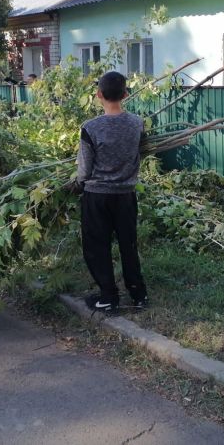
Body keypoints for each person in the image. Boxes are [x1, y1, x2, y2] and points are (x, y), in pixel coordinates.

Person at [76, 71, 148, 311]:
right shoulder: (137, 123)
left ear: (98, 95)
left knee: (97, 246)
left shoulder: (90, 127)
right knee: (128, 244)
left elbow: (85, 168)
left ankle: (108, 296)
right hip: (126, 195)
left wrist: (79, 183)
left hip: (97, 195)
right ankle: (139, 295)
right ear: (125, 94)